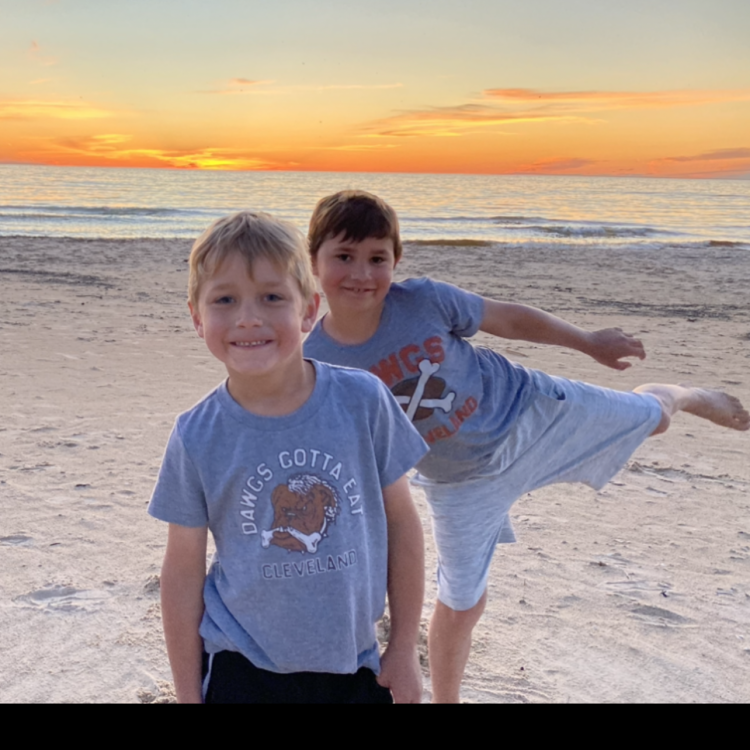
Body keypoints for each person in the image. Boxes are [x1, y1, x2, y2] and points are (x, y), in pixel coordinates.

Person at [303, 189, 750, 703]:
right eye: (344, 257)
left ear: (396, 261)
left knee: (655, 421)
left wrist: (588, 342)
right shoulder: (317, 361)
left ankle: (687, 395)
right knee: (463, 601)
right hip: (460, 480)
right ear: (313, 260)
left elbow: (508, 319)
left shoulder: (423, 301)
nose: (362, 273)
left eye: (377, 258)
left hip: (530, 413)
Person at [149, 211, 428, 703]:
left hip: (354, 661)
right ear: (197, 316)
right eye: (225, 299)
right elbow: (182, 571)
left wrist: (404, 646)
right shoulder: (197, 433)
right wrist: (188, 694)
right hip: (242, 664)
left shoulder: (363, 401)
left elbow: (402, 525)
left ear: (308, 310)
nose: (248, 317)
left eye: (272, 297)